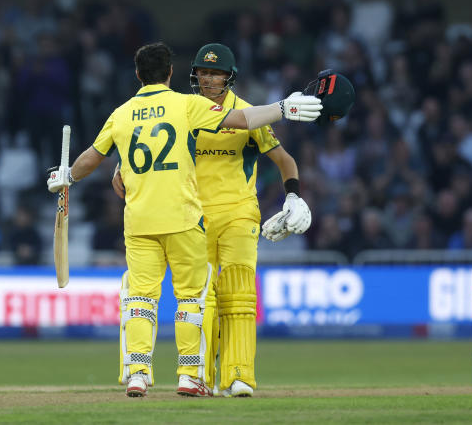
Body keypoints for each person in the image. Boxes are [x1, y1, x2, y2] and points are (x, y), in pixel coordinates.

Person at [47, 42, 321, 398]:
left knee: (185, 297)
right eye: (202, 72)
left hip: (193, 215)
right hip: (190, 216)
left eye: (215, 73)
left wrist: (68, 175)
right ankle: (195, 376)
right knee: (196, 299)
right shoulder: (187, 106)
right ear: (176, 74)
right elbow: (233, 122)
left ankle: (185, 374)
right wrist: (283, 107)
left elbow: (93, 156)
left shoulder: (127, 111)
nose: (207, 79)